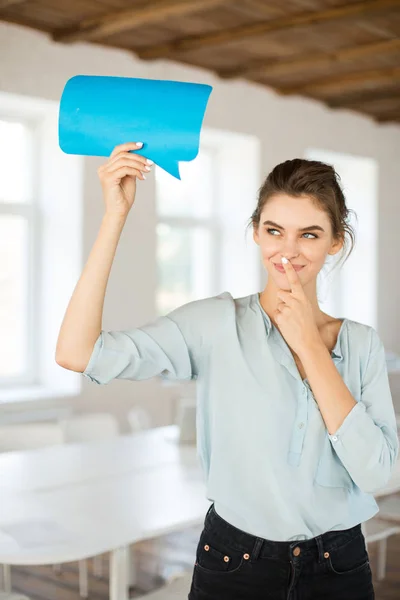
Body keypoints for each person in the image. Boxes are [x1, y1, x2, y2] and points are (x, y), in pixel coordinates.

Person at [56, 142, 399, 600]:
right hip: (235, 563)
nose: (289, 251)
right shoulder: (214, 325)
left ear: (336, 241)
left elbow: (378, 474)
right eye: (275, 230)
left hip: (339, 566)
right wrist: (114, 216)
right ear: (256, 232)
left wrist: (310, 348)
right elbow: (78, 352)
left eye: (310, 235)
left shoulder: (361, 344)